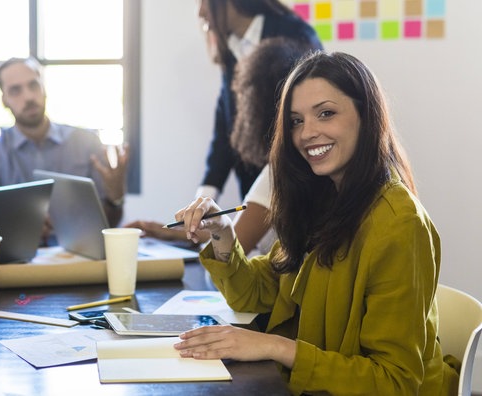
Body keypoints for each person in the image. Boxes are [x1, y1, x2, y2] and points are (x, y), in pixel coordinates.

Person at [172, 51, 459, 394]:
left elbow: (395, 381)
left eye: (326, 113)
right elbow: (255, 292)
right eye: (296, 120)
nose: (307, 133)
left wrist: (275, 346)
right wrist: (222, 233)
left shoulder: (399, 223)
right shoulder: (324, 200)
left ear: (366, 117)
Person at [127, 37, 310, 256]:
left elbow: (228, 251)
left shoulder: (278, 172)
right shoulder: (302, 166)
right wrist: (171, 232)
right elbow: (232, 233)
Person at [0, 57, 127, 228]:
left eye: (33, 85)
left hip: (79, 253)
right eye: (16, 91)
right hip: (17, 253)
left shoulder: (86, 142)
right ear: (4, 101)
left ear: (44, 88)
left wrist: (115, 199)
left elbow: (109, 225)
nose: (29, 96)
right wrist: (11, 221)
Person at [195, 0, 322, 202]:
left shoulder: (295, 35)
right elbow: (226, 127)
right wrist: (204, 200)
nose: (200, 12)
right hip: (254, 196)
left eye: (203, 2)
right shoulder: (231, 51)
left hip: (294, 195)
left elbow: (305, 125)